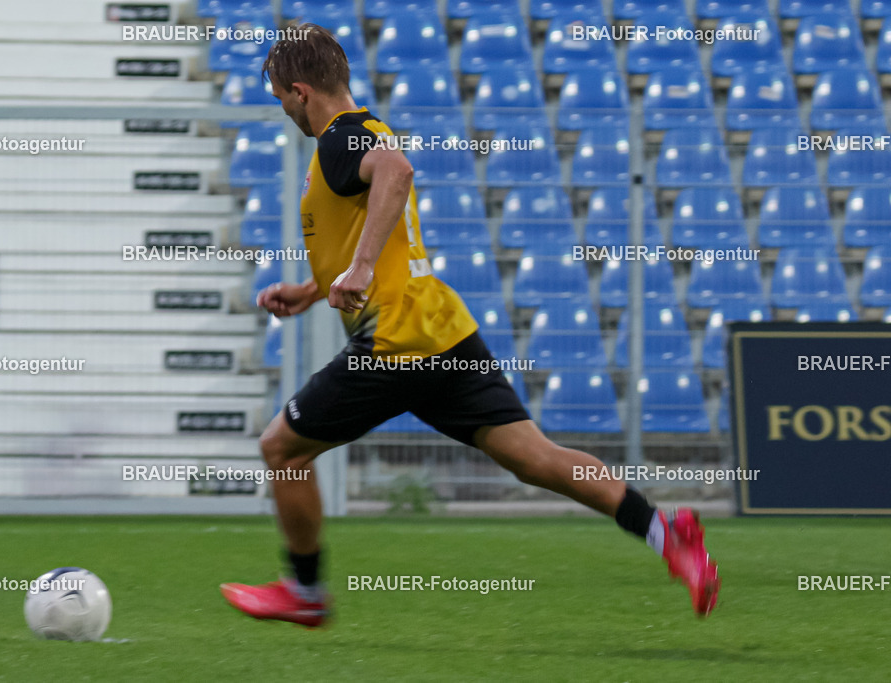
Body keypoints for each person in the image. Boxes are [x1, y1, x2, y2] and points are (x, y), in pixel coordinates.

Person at [221, 24, 719, 627]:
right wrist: (313, 288)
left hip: (398, 341)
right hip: (441, 327)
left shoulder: (340, 140)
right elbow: (383, 226)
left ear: (301, 91)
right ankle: (667, 534)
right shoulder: (362, 131)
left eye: (280, 99)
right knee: (534, 458)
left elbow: (397, 173)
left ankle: (304, 592)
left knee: (282, 449)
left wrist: (358, 266)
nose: (283, 111)